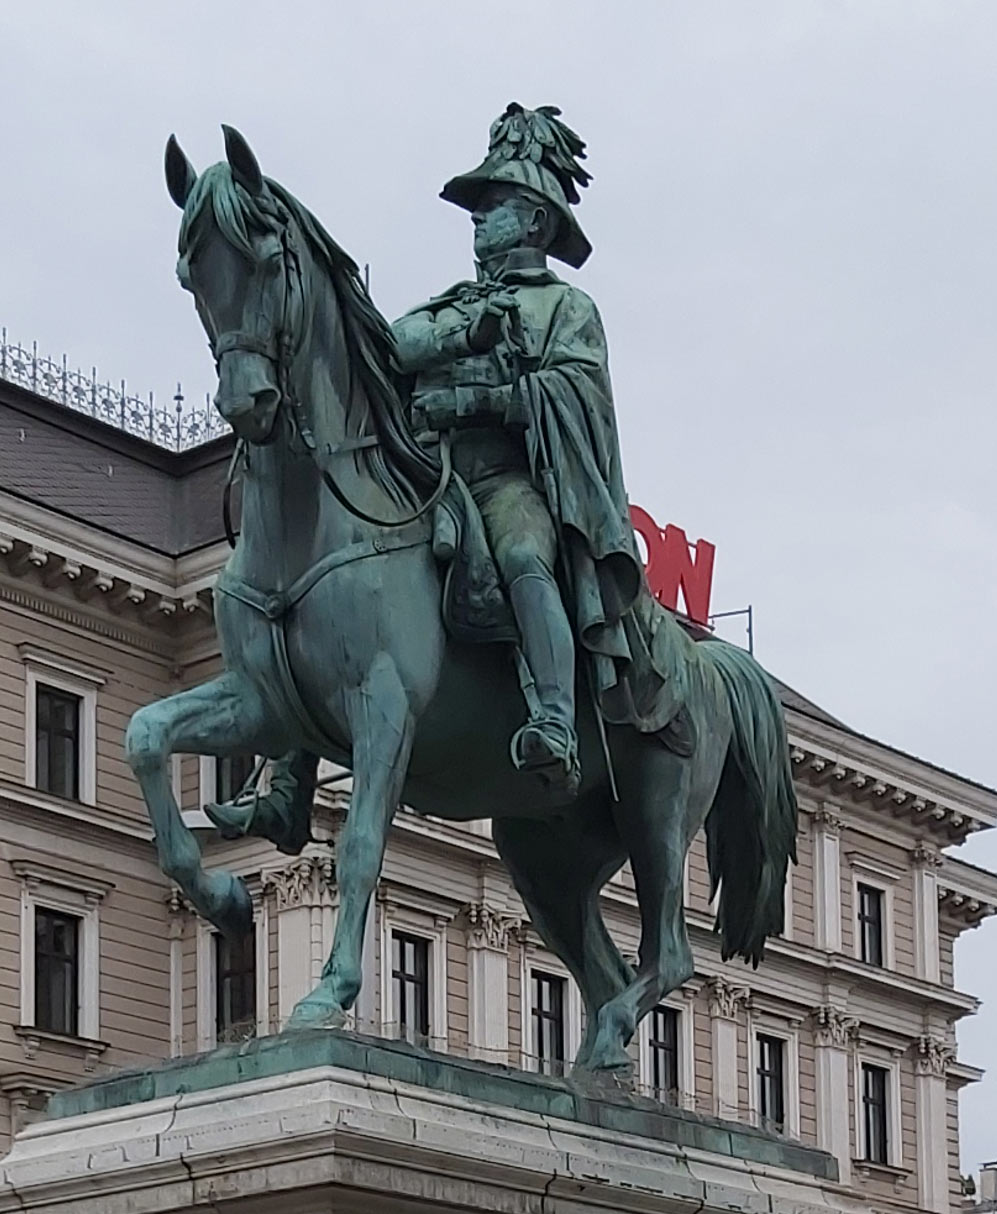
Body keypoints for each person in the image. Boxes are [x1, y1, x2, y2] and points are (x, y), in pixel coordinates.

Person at [208, 104, 688, 847]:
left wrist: (477, 394)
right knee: (337, 586)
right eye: (477, 210)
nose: (477, 222)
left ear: (533, 221)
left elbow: (575, 396)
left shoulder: (566, 308)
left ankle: (554, 718)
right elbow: (386, 354)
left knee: (525, 554)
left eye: (492, 207)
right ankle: (287, 787)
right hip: (426, 473)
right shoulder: (451, 304)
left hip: (508, 481)